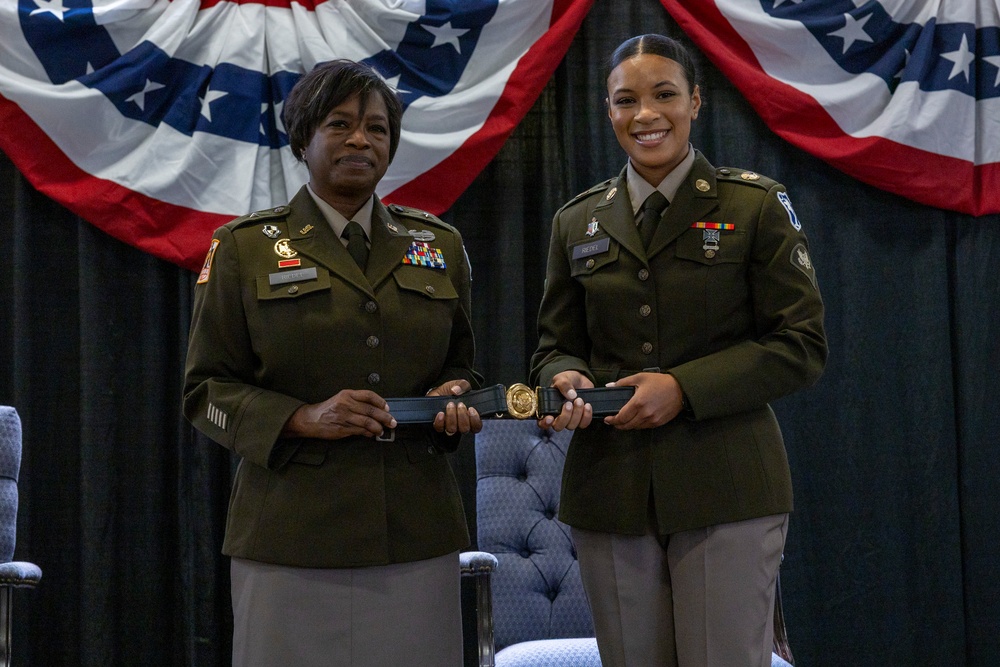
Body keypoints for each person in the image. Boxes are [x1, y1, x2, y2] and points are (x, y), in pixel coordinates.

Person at [529, 34, 827, 667]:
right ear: (607, 111)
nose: (646, 114)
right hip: (610, 486)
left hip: (728, 484)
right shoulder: (574, 221)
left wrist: (683, 388)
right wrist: (566, 377)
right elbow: (554, 347)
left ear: (696, 100)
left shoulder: (754, 206)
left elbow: (800, 345)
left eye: (664, 95)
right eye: (626, 100)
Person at [183, 59, 481, 667]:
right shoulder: (243, 248)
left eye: (376, 128)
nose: (359, 140)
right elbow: (205, 393)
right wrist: (300, 417)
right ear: (303, 138)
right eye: (339, 124)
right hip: (290, 535)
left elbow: (464, 368)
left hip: (416, 531)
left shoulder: (439, 245)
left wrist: (456, 393)